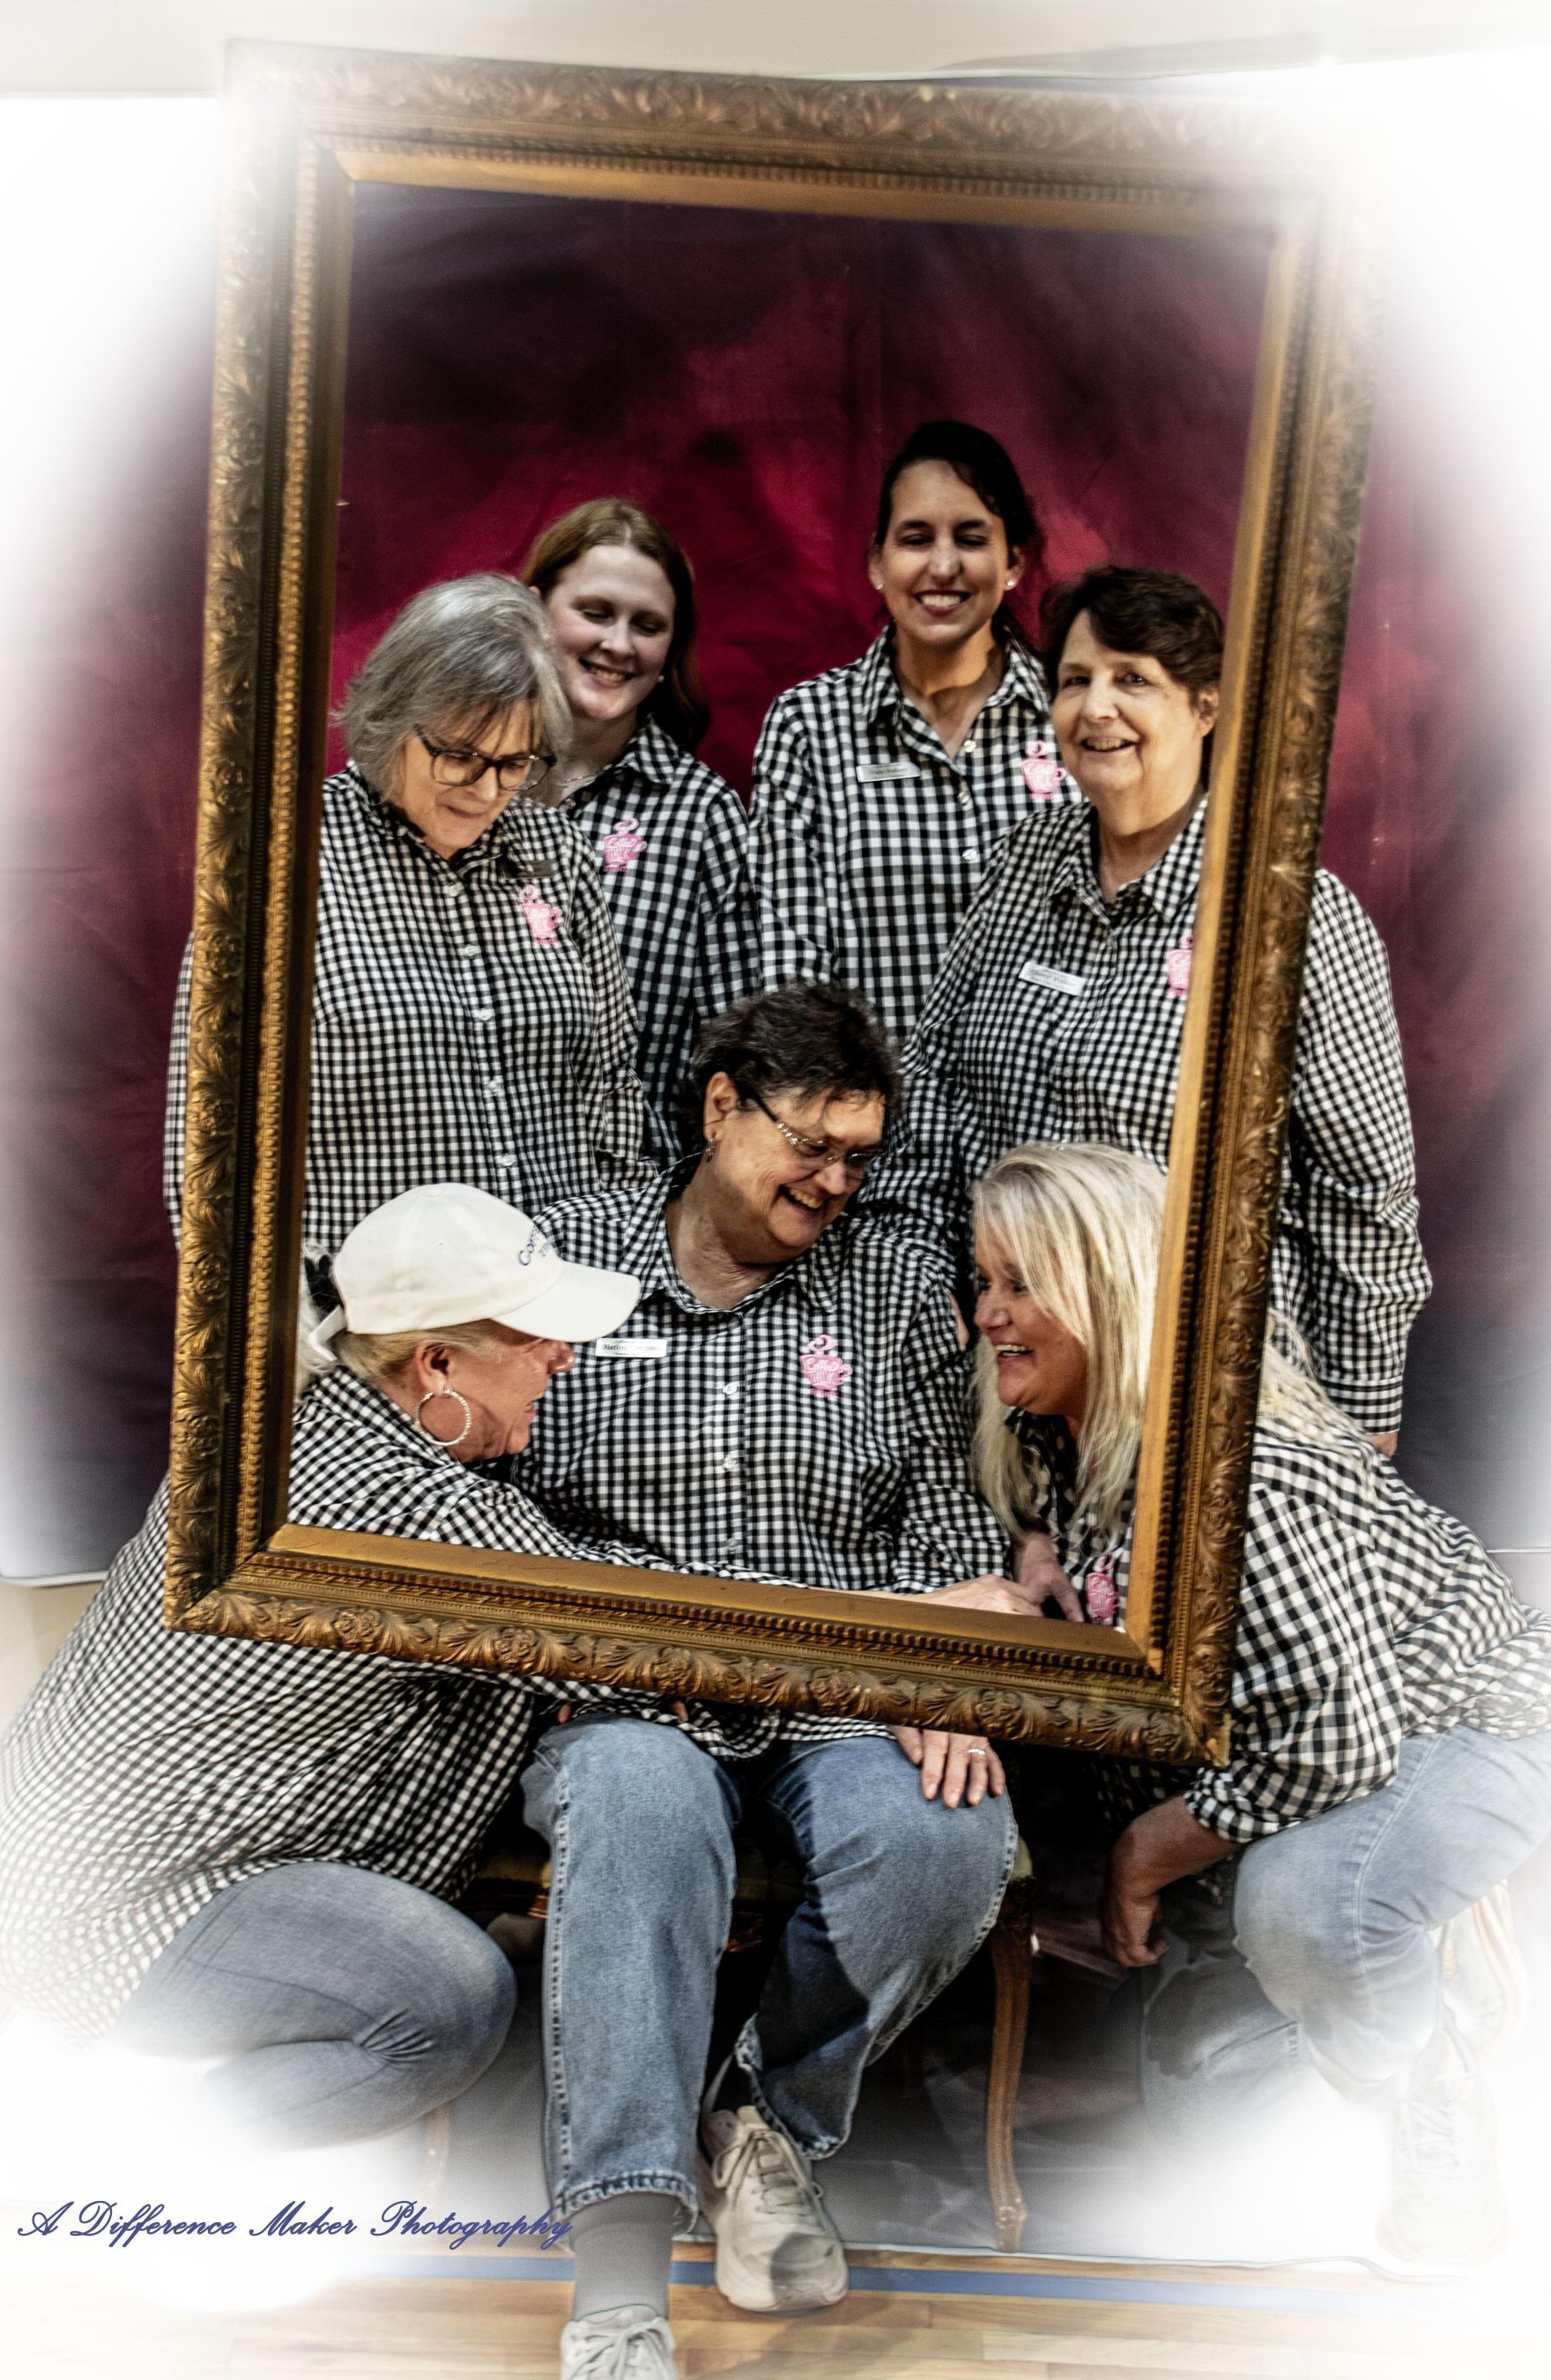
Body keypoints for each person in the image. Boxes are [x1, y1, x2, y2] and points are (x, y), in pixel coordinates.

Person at [508, 982, 1021, 2364]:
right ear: (721, 1105)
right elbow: (497, 1486)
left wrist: (948, 1674)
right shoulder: (573, 1257)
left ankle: (769, 2124)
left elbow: (949, 1514)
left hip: (836, 1680)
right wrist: (592, 1635)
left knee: (947, 1836)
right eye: (812, 1144)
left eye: (862, 1156)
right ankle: (618, 2278)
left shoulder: (895, 1283)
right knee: (641, 1808)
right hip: (619, 1694)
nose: (835, 1183)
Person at [968, 1139, 1551, 2266]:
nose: (991, 1313)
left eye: (1023, 1286)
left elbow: (1337, 1741)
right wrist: (1033, 1549)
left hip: (1460, 1724)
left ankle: (1440, 2066)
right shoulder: (1064, 1432)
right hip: (1311, 1759)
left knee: (1304, 1908)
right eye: (986, 1282)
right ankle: (1378, 2014)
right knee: (1208, 2116)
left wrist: (1146, 1854)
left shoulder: (1241, 1476)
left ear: (1108, 1289)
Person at [0, 1183, 642, 2137]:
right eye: (536, 1338)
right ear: (438, 1363)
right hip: (112, 1924)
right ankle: (107, 2158)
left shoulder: (268, 1431)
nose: (561, 1359)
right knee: (445, 2003)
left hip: (38, 1870)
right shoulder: (427, 1519)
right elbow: (660, 1644)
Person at [866, 564, 1430, 1446]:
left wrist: (1360, 1425)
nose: (1096, 709)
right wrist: (913, 1286)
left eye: (1134, 680)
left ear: (1205, 707)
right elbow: (932, 1086)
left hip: (1188, 1399)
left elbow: (1361, 1193)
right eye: (1075, 680)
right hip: (1005, 1385)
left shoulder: (1289, 913)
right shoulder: (1021, 867)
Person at [165, 574, 648, 1262]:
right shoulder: (283, 865)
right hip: (366, 1337)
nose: (486, 791)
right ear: (392, 717)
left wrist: (606, 1251)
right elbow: (209, 1146)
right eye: (458, 755)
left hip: (549, 1315)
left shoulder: (555, 850)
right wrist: (299, 1334)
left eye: (514, 762)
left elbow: (611, 1083)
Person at [748, 420, 1072, 1045]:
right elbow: (792, 971)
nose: (943, 565)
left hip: (1046, 1129)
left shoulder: (1075, 717)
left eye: (971, 538)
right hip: (872, 1128)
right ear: (878, 561)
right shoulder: (807, 727)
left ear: (1013, 562)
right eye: (916, 538)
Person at [524, 500, 758, 1163]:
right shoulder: (461, 786)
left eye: (647, 625)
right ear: (536, 608)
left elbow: (731, 1061)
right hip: (452, 1191)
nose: (619, 644)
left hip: (622, 1201)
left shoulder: (704, 817)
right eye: (595, 613)